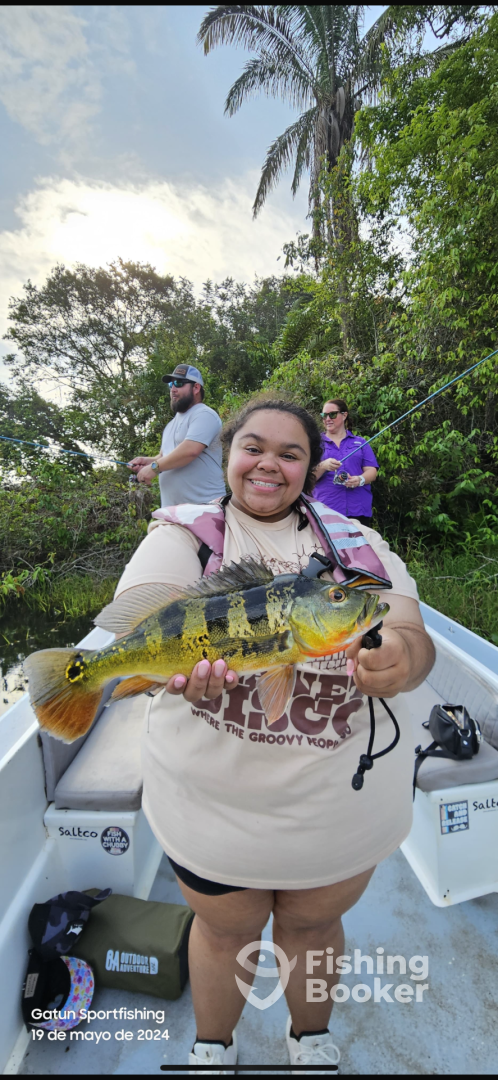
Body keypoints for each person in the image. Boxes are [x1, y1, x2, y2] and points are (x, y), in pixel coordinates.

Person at [112, 397, 434, 1071]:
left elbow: (410, 631)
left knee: (314, 927)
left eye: (290, 454)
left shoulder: (356, 542)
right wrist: (160, 667)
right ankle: (213, 1046)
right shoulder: (184, 534)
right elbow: (143, 621)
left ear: (311, 468)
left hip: (338, 814)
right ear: (228, 456)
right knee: (223, 932)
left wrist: (404, 658)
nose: (268, 464)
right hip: (213, 813)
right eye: (252, 447)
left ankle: (309, 1039)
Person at [127, 363, 226, 506]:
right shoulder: (170, 426)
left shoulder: (204, 414)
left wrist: (154, 467)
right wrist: (147, 461)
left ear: (196, 388)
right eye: (171, 384)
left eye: (179, 383)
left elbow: (190, 450)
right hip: (172, 512)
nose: (173, 389)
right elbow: (164, 456)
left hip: (205, 508)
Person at [313, 399, 379, 526]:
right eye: (324, 415)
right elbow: (307, 477)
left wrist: (360, 479)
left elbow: (372, 471)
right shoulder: (315, 444)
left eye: (332, 414)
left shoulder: (360, 443)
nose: (327, 419)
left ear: (344, 415)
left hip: (358, 509)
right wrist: (323, 466)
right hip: (325, 510)